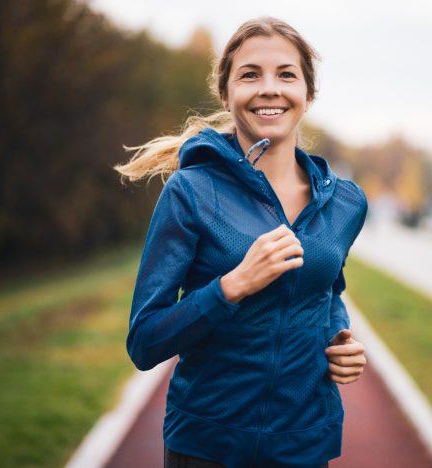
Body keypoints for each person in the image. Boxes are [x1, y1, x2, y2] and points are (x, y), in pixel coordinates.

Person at [115, 17, 369, 468]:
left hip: (305, 445)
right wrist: (232, 286)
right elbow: (144, 341)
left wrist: (338, 338)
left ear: (307, 95)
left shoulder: (346, 203)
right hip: (206, 447)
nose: (269, 88)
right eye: (250, 74)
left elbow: (328, 290)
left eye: (286, 74)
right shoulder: (191, 192)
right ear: (227, 94)